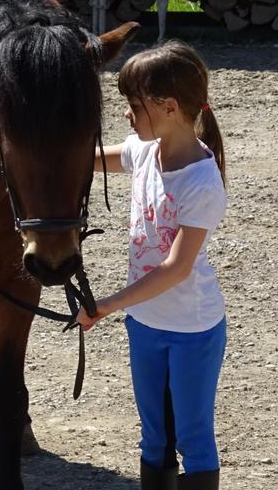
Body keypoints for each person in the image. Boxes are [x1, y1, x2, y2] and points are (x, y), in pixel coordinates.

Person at [78, 40, 227, 490]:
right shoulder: (144, 152)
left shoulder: (202, 180)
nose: (126, 114)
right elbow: (87, 161)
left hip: (192, 331)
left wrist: (105, 305)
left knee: (194, 438)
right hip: (144, 324)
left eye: (132, 104)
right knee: (153, 437)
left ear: (167, 107)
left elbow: (176, 268)